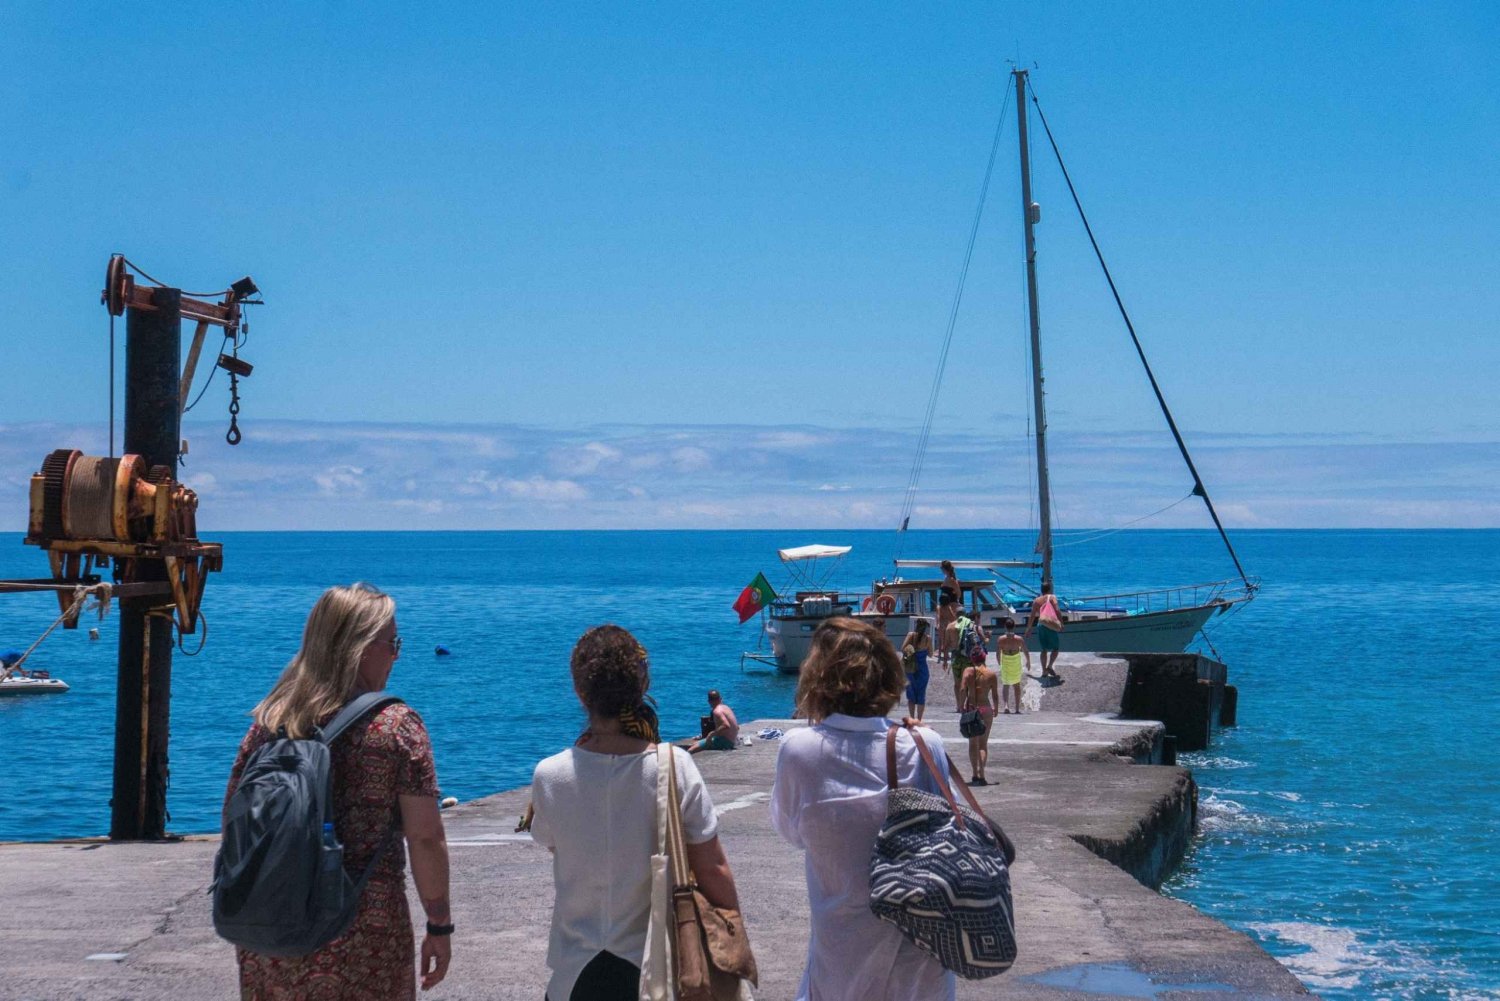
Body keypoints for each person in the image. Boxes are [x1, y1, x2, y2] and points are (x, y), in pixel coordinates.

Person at [224, 583, 451, 1000]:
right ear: (363, 648)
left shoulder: (269, 722)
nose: (397, 655)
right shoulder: (397, 726)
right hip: (362, 930)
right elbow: (425, 838)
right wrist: (439, 924)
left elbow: (233, 820)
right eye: (393, 643)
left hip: (273, 930)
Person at [530, 625, 741, 1001]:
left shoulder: (549, 775)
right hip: (656, 970)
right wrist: (731, 938)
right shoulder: (674, 766)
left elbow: (553, 843)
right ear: (642, 685)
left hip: (573, 976)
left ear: (580, 692)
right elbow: (713, 869)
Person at [771, 617, 958, 1001]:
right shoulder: (925, 743)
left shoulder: (800, 749)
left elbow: (790, 832)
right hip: (921, 956)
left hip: (842, 954)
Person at [961, 650, 1001, 786]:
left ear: (972, 659)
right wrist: (996, 708)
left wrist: (961, 706)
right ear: (984, 659)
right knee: (983, 743)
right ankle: (982, 774)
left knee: (973, 743)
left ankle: (974, 774)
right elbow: (995, 695)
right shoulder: (991, 674)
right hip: (986, 708)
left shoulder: (968, 671)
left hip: (972, 708)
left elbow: (962, 689)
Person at [1024, 582, 1065, 684]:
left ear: (1041, 590)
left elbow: (1032, 615)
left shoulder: (1036, 601)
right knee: (1055, 648)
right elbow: (1057, 610)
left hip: (1041, 625)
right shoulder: (1052, 597)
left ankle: (1044, 671)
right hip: (1050, 624)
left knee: (1044, 649)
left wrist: (1028, 628)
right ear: (1050, 589)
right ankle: (1050, 666)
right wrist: (1061, 622)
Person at [950, 607, 984, 710]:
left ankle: (959, 706)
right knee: (970, 683)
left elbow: (945, 645)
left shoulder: (950, 626)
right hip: (968, 658)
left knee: (957, 683)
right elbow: (982, 640)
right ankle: (970, 705)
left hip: (955, 657)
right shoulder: (974, 626)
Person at [995, 617, 1030, 715]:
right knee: (1016, 684)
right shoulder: (1019, 639)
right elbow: (1026, 651)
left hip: (1005, 660)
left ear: (1005, 627)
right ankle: (1017, 708)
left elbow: (998, 653)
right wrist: (1028, 661)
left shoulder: (1001, 639)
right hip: (1015, 661)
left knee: (1006, 684)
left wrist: (999, 662)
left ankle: (1006, 706)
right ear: (1014, 626)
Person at [688, 689, 739, 753]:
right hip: (732, 741)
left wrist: (711, 734)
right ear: (720, 699)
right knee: (695, 743)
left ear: (709, 701)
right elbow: (737, 727)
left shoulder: (717, 711)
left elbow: (726, 725)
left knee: (690, 750)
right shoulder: (726, 707)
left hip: (725, 742)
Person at [901, 618, 932, 721]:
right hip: (923, 670)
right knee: (921, 694)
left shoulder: (911, 635)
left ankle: (912, 717)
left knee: (911, 694)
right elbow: (931, 654)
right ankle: (919, 719)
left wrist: (912, 650)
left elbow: (903, 648)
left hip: (910, 668)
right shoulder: (928, 638)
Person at [935, 560, 960, 666]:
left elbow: (958, 593)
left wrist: (952, 602)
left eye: (941, 568)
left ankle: (947, 650)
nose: (940, 570)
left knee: (949, 627)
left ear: (945, 569)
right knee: (943, 627)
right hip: (945, 604)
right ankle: (943, 649)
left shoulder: (952, 580)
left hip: (951, 604)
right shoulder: (947, 579)